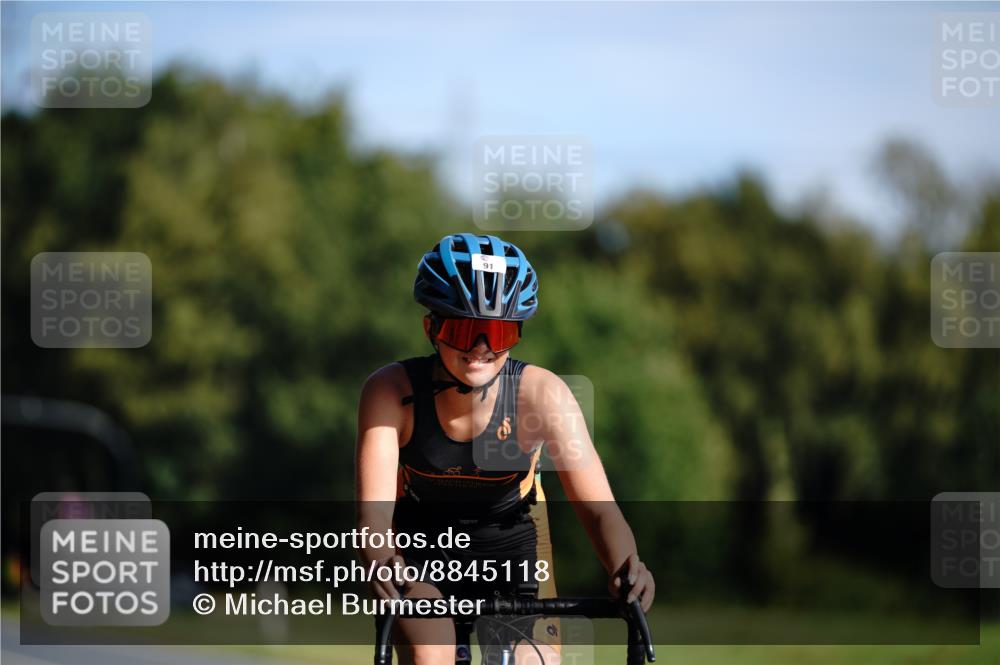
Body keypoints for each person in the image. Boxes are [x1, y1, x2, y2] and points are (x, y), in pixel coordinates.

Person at [356, 233, 654, 664]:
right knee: (429, 656)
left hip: (515, 552)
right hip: (421, 551)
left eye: (498, 332)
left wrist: (628, 567)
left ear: (516, 333)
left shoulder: (542, 395)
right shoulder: (390, 391)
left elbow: (598, 509)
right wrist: (381, 557)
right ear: (431, 328)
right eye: (463, 329)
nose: (481, 348)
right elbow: (374, 513)